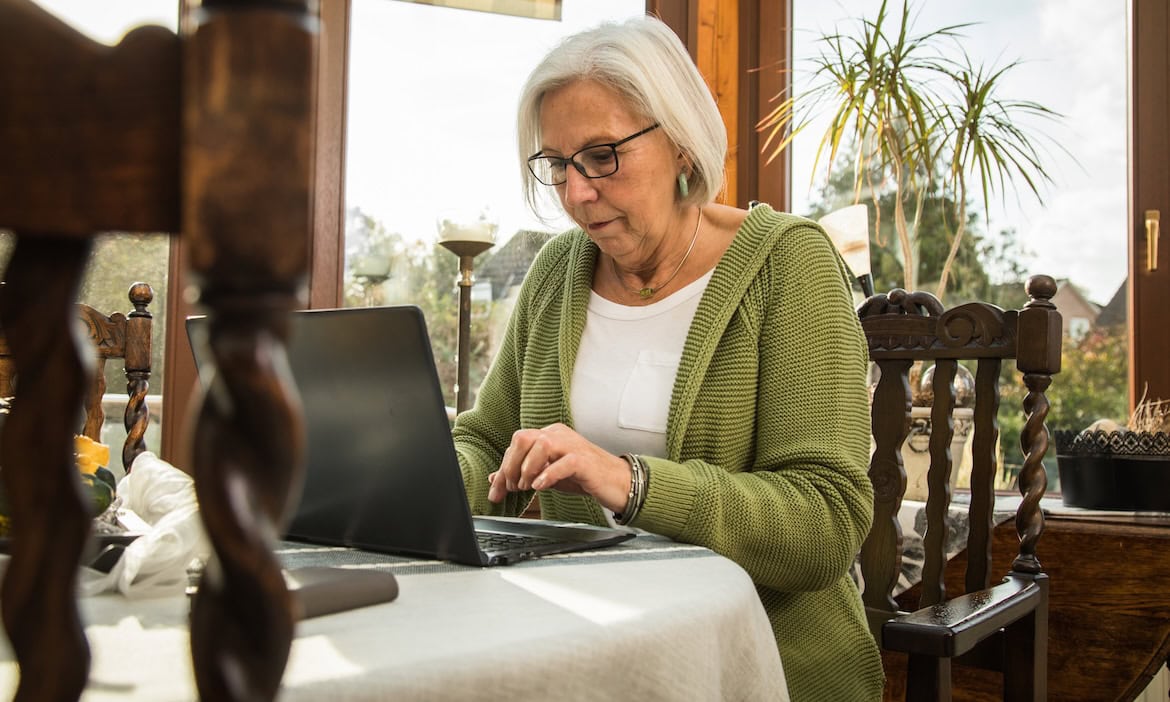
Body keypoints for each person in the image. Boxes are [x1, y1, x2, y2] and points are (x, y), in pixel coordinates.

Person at [451, 15, 882, 701]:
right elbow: (486, 440)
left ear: (681, 144)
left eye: (602, 156)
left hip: (750, 663)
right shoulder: (558, 269)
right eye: (558, 164)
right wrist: (414, 482)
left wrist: (629, 482)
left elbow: (824, 522)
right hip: (579, 639)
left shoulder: (789, 263)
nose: (577, 193)